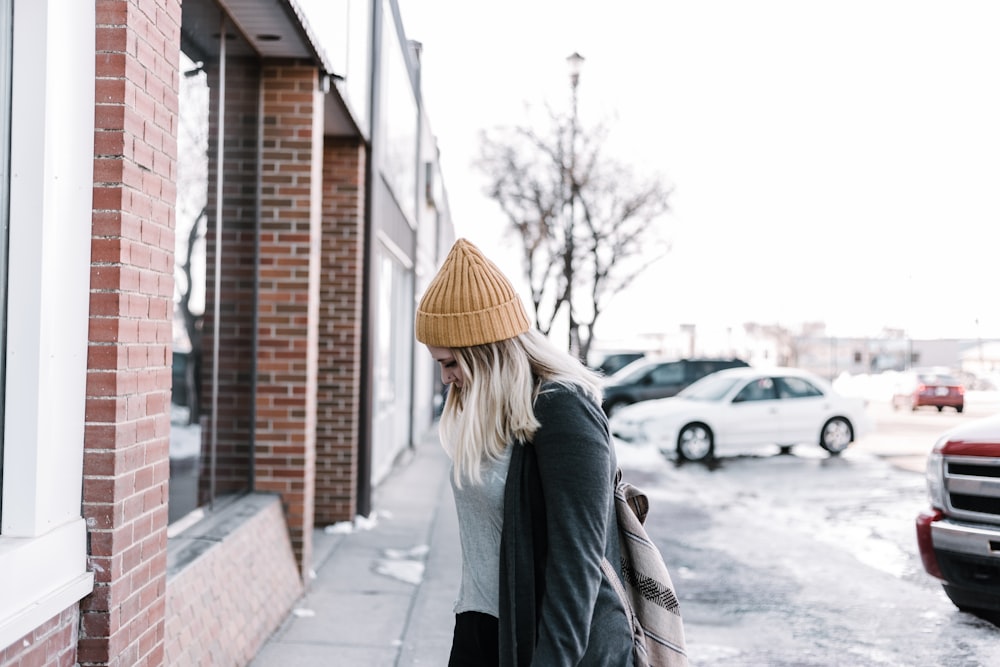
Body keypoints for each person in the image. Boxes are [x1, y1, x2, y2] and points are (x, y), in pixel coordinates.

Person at [415, 238, 634, 667]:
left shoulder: (564, 411)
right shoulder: (501, 414)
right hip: (484, 629)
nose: (445, 379)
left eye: (451, 363)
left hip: (549, 645)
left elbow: (578, 566)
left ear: (486, 353)